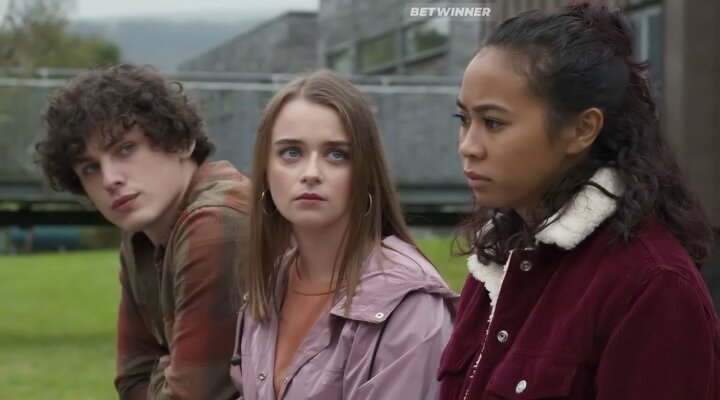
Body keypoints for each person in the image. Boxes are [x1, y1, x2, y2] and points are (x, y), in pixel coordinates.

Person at [438, 3, 720, 399]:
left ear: (582, 129)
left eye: (494, 123)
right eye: (464, 120)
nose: (468, 146)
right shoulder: (497, 258)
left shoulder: (653, 285)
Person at [230, 69, 457, 399]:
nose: (311, 173)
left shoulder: (412, 308)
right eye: (291, 152)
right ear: (265, 171)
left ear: (365, 172)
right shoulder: (268, 285)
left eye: (336, 154)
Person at [35, 64, 250, 399]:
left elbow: (189, 395)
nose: (110, 179)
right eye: (91, 167)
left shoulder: (217, 223)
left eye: (125, 149)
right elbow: (131, 379)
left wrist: (163, 372)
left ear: (181, 142)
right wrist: (165, 375)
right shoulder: (141, 234)